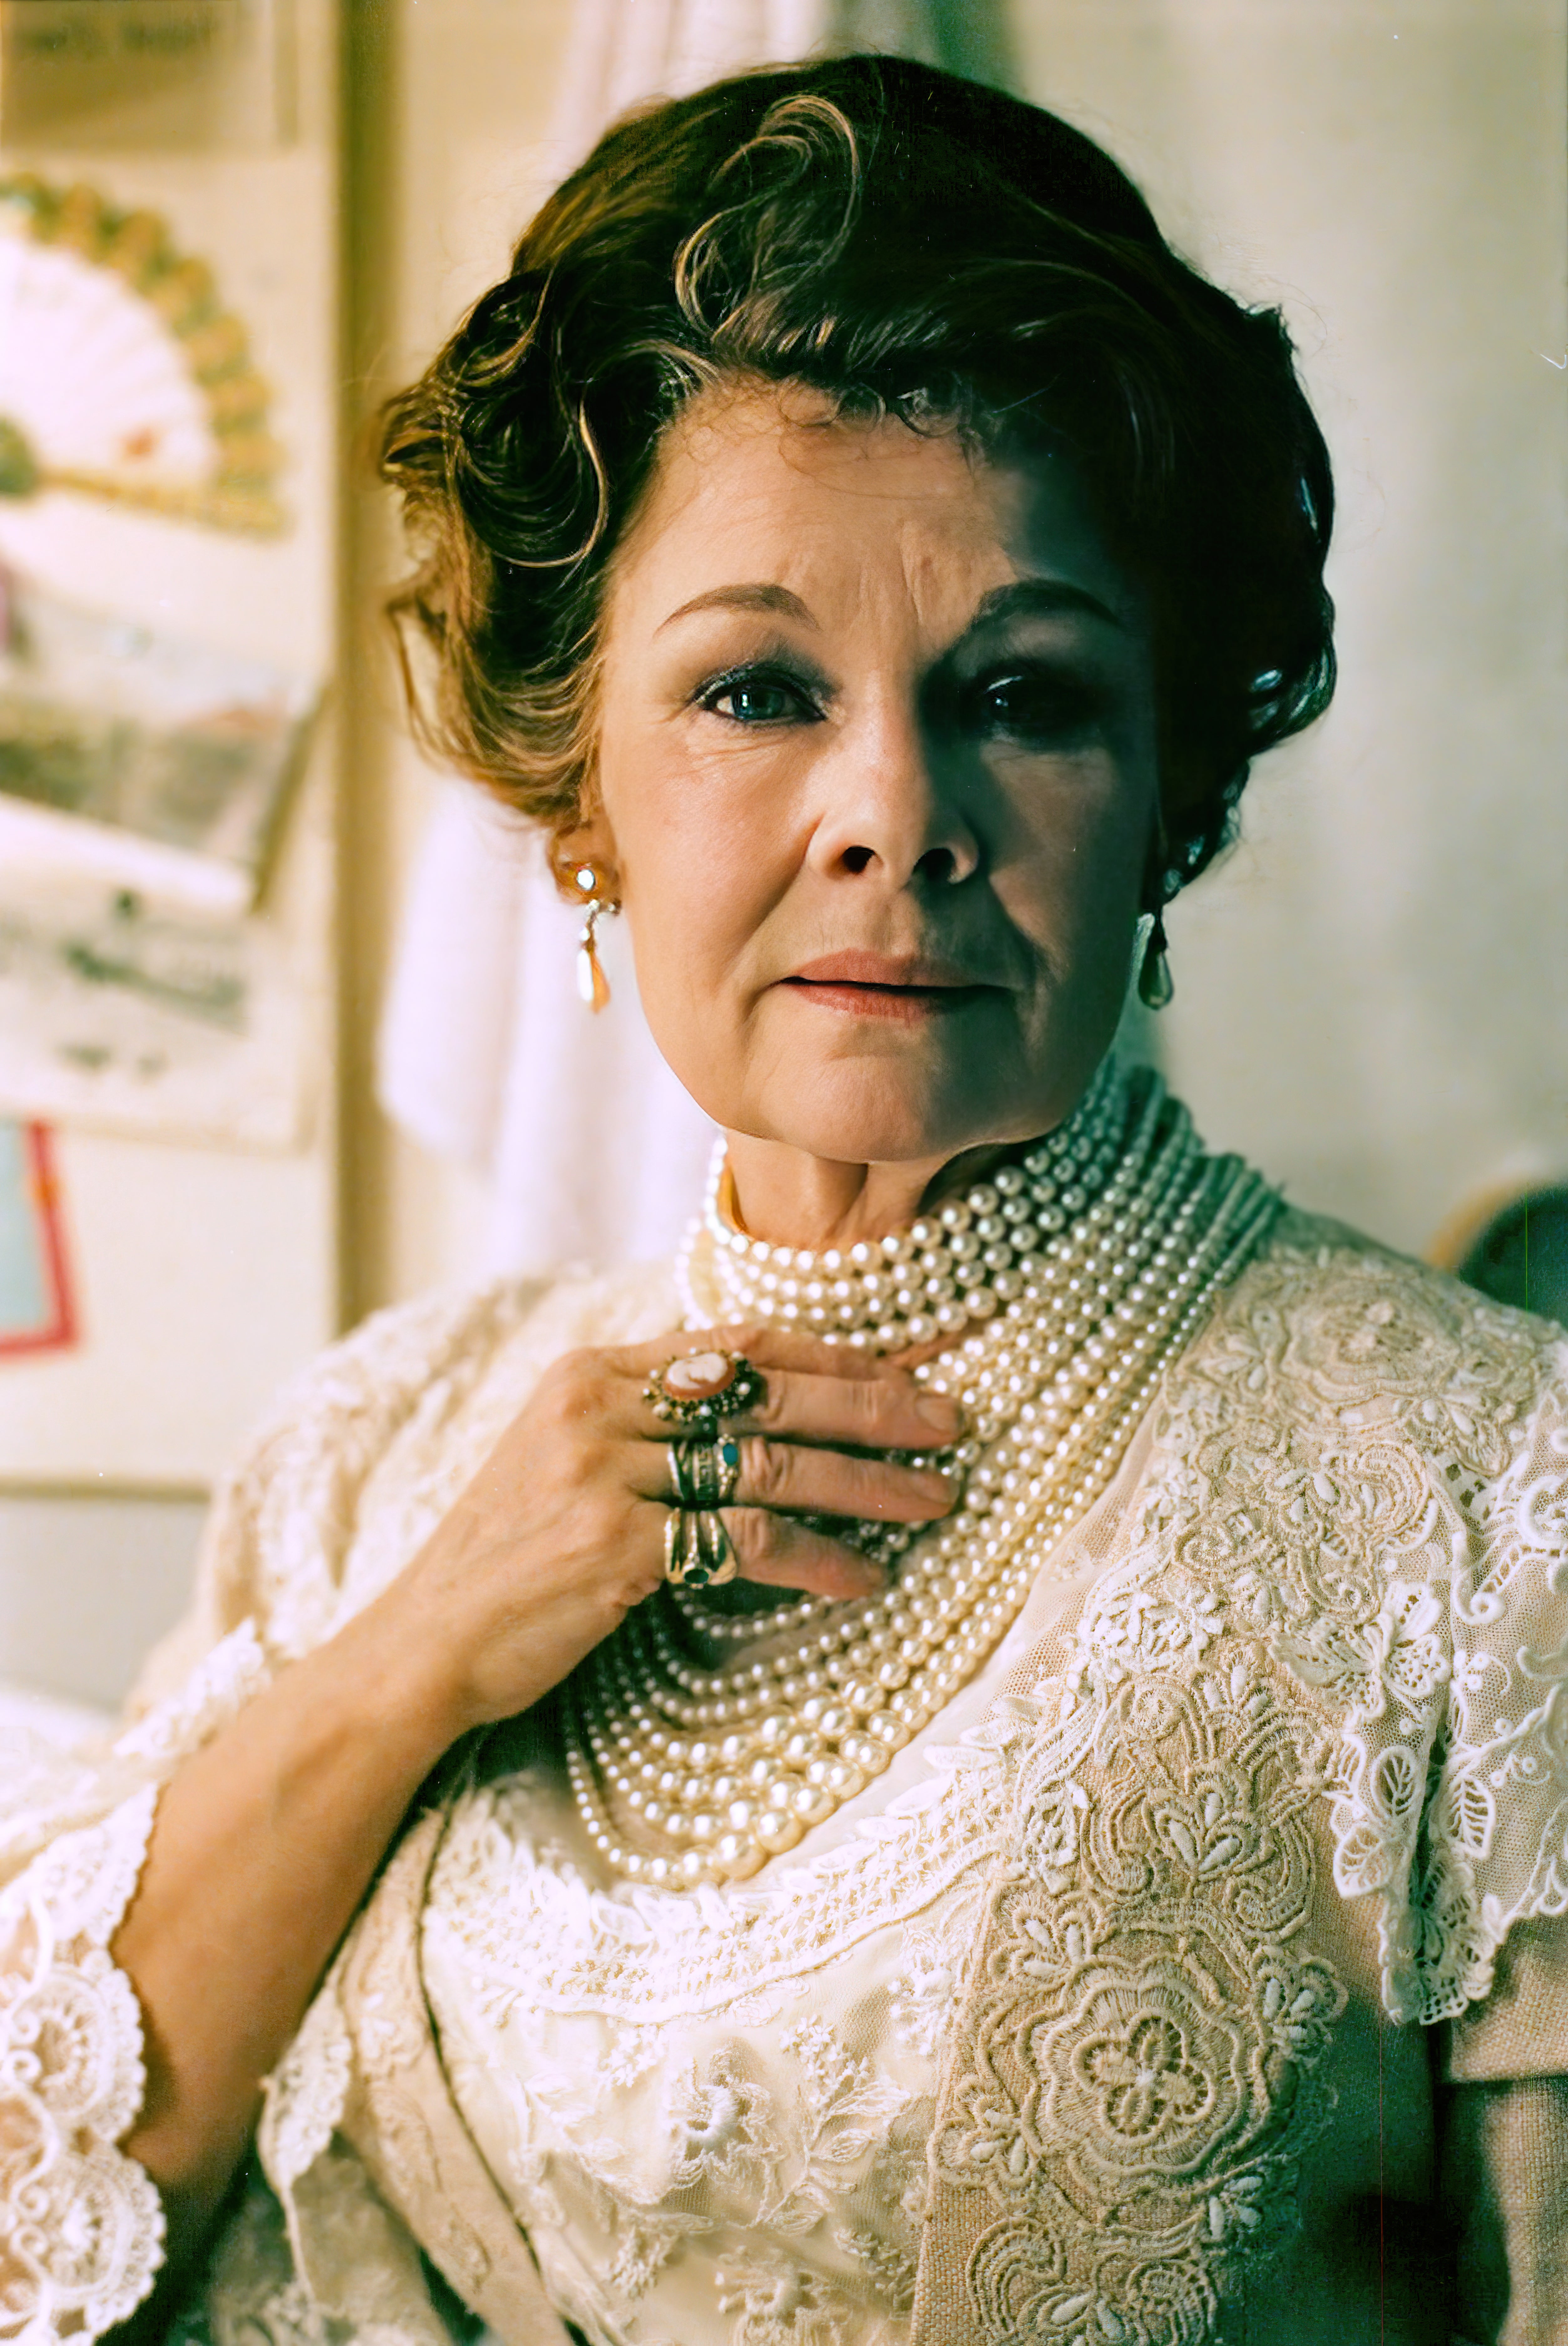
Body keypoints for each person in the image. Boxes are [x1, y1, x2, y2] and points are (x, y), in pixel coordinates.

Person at [4, 53, 1564, 2346]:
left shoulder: (1488, 1505)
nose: (894, 812)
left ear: (1167, 803)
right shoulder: (376, 1456)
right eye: (753, 687)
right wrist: (422, 1646)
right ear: (578, 791)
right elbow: (46, 2205)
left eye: (1025, 692)